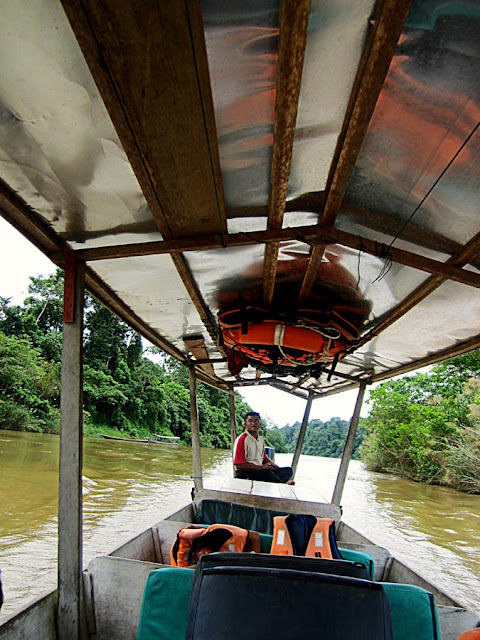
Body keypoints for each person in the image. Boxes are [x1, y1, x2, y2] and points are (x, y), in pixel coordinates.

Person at [233, 411, 294, 484]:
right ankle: (281, 483)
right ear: (245, 424)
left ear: (260, 424)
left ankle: (278, 480)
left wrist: (275, 466)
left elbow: (264, 458)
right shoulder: (242, 439)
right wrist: (261, 468)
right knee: (267, 473)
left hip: (259, 471)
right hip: (245, 473)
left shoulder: (261, 440)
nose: (253, 423)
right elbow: (239, 465)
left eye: (256, 421)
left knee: (288, 470)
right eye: (250, 421)